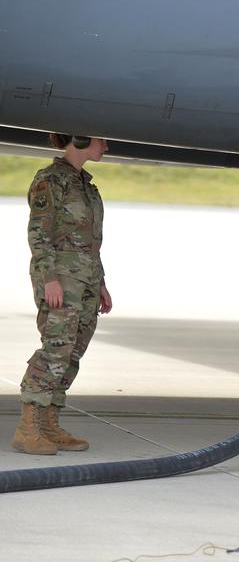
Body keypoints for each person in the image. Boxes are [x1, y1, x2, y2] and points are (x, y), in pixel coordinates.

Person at [12, 134, 112, 455]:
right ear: (80, 138)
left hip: (86, 280)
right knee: (56, 349)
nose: (106, 146)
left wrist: (101, 283)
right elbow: (39, 232)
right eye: (101, 140)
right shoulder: (50, 180)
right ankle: (28, 429)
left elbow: (90, 240)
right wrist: (49, 278)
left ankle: (49, 424)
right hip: (60, 279)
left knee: (73, 352)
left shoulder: (85, 185)